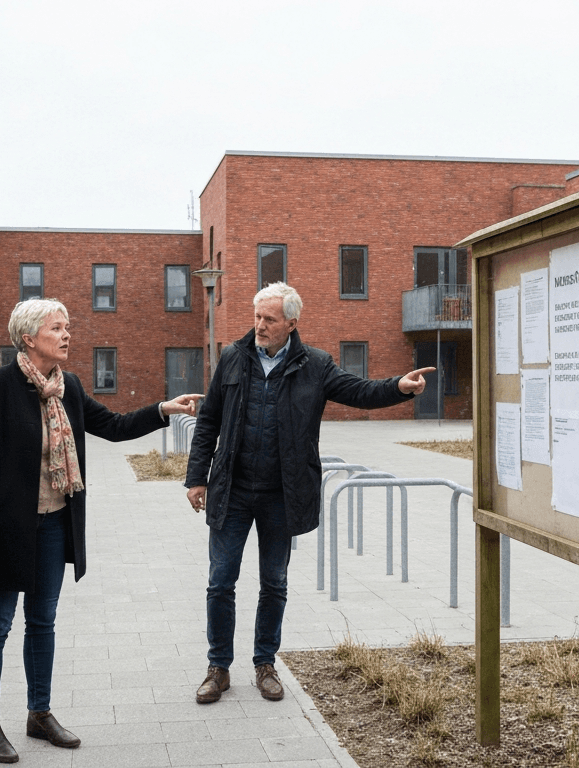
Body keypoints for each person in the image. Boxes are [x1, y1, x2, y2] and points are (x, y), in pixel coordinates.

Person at [0, 299, 202, 762]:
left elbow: (112, 424)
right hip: (5, 529)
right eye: (57, 328)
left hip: (53, 525)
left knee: (42, 622)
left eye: (68, 327)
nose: (67, 335)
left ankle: (39, 713)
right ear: (29, 337)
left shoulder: (68, 387)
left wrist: (163, 409)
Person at [185, 282, 434, 704]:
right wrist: (197, 477)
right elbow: (208, 421)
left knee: (274, 582)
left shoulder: (314, 364)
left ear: (291, 323)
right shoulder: (232, 358)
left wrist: (399, 388)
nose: (260, 326)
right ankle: (218, 668)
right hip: (233, 491)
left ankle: (265, 664)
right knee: (220, 581)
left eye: (269, 319)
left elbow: (358, 391)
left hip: (283, 493)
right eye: (257, 317)